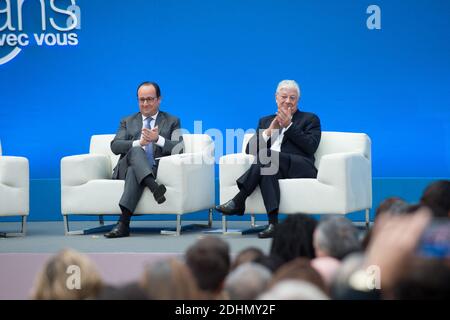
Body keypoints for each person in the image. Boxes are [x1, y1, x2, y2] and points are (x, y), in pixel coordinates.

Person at [215, 80, 321, 238]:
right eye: (284, 96)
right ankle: (273, 224)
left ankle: (239, 200)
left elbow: (310, 147)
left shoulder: (310, 119)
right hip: (272, 166)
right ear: (276, 98)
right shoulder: (265, 121)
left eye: (292, 98)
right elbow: (249, 149)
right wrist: (270, 131)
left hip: (300, 166)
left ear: (298, 100)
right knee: (266, 167)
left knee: (266, 157)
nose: (288, 101)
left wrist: (289, 126)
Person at [104, 81, 183, 238]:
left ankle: (123, 224)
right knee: (135, 150)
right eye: (142, 100)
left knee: (136, 170)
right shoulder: (127, 121)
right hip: (123, 169)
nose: (145, 104)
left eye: (150, 99)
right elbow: (115, 146)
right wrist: (138, 143)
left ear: (159, 99)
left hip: (151, 168)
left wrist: (158, 139)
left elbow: (179, 148)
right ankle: (154, 187)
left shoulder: (172, 121)